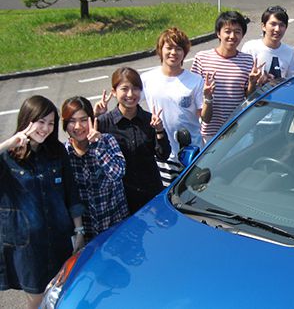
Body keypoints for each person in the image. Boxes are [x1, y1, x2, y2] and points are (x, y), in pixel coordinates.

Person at [0, 96, 84, 309]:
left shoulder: (56, 152)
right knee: (39, 303)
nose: (45, 129)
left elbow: (70, 193)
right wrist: (11, 142)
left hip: (59, 240)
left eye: (51, 123)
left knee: (63, 296)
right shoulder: (8, 157)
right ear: (27, 120)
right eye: (40, 121)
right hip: (28, 249)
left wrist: (80, 231)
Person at [96, 67, 172, 214]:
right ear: (114, 92)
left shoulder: (150, 120)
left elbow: (163, 155)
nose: (130, 94)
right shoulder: (103, 123)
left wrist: (159, 130)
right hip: (120, 198)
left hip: (150, 195)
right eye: (124, 89)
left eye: (136, 89)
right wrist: (94, 115)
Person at [141, 27, 209, 185]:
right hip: (162, 153)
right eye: (169, 48)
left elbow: (204, 116)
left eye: (178, 49)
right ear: (160, 50)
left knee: (191, 195)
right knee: (165, 196)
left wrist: (209, 99)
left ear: (184, 53)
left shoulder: (195, 80)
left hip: (191, 151)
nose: (173, 53)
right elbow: (131, 106)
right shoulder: (147, 79)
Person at [191, 11, 270, 141]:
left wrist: (252, 83)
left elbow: (248, 98)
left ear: (242, 35)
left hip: (237, 130)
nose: (232, 36)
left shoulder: (248, 61)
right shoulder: (202, 58)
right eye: (227, 31)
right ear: (218, 33)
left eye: (237, 32)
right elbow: (194, 96)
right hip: (208, 132)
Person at [62, 96, 129, 240]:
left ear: (92, 120)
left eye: (84, 120)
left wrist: (98, 146)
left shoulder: (107, 141)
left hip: (115, 227)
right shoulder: (64, 153)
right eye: (72, 121)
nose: (78, 127)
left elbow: (118, 173)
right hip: (85, 233)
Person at [241, 5, 294, 79]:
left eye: (281, 25)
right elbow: (242, 80)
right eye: (273, 24)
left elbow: (291, 81)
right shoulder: (250, 48)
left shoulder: (289, 52)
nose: (277, 29)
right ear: (263, 26)